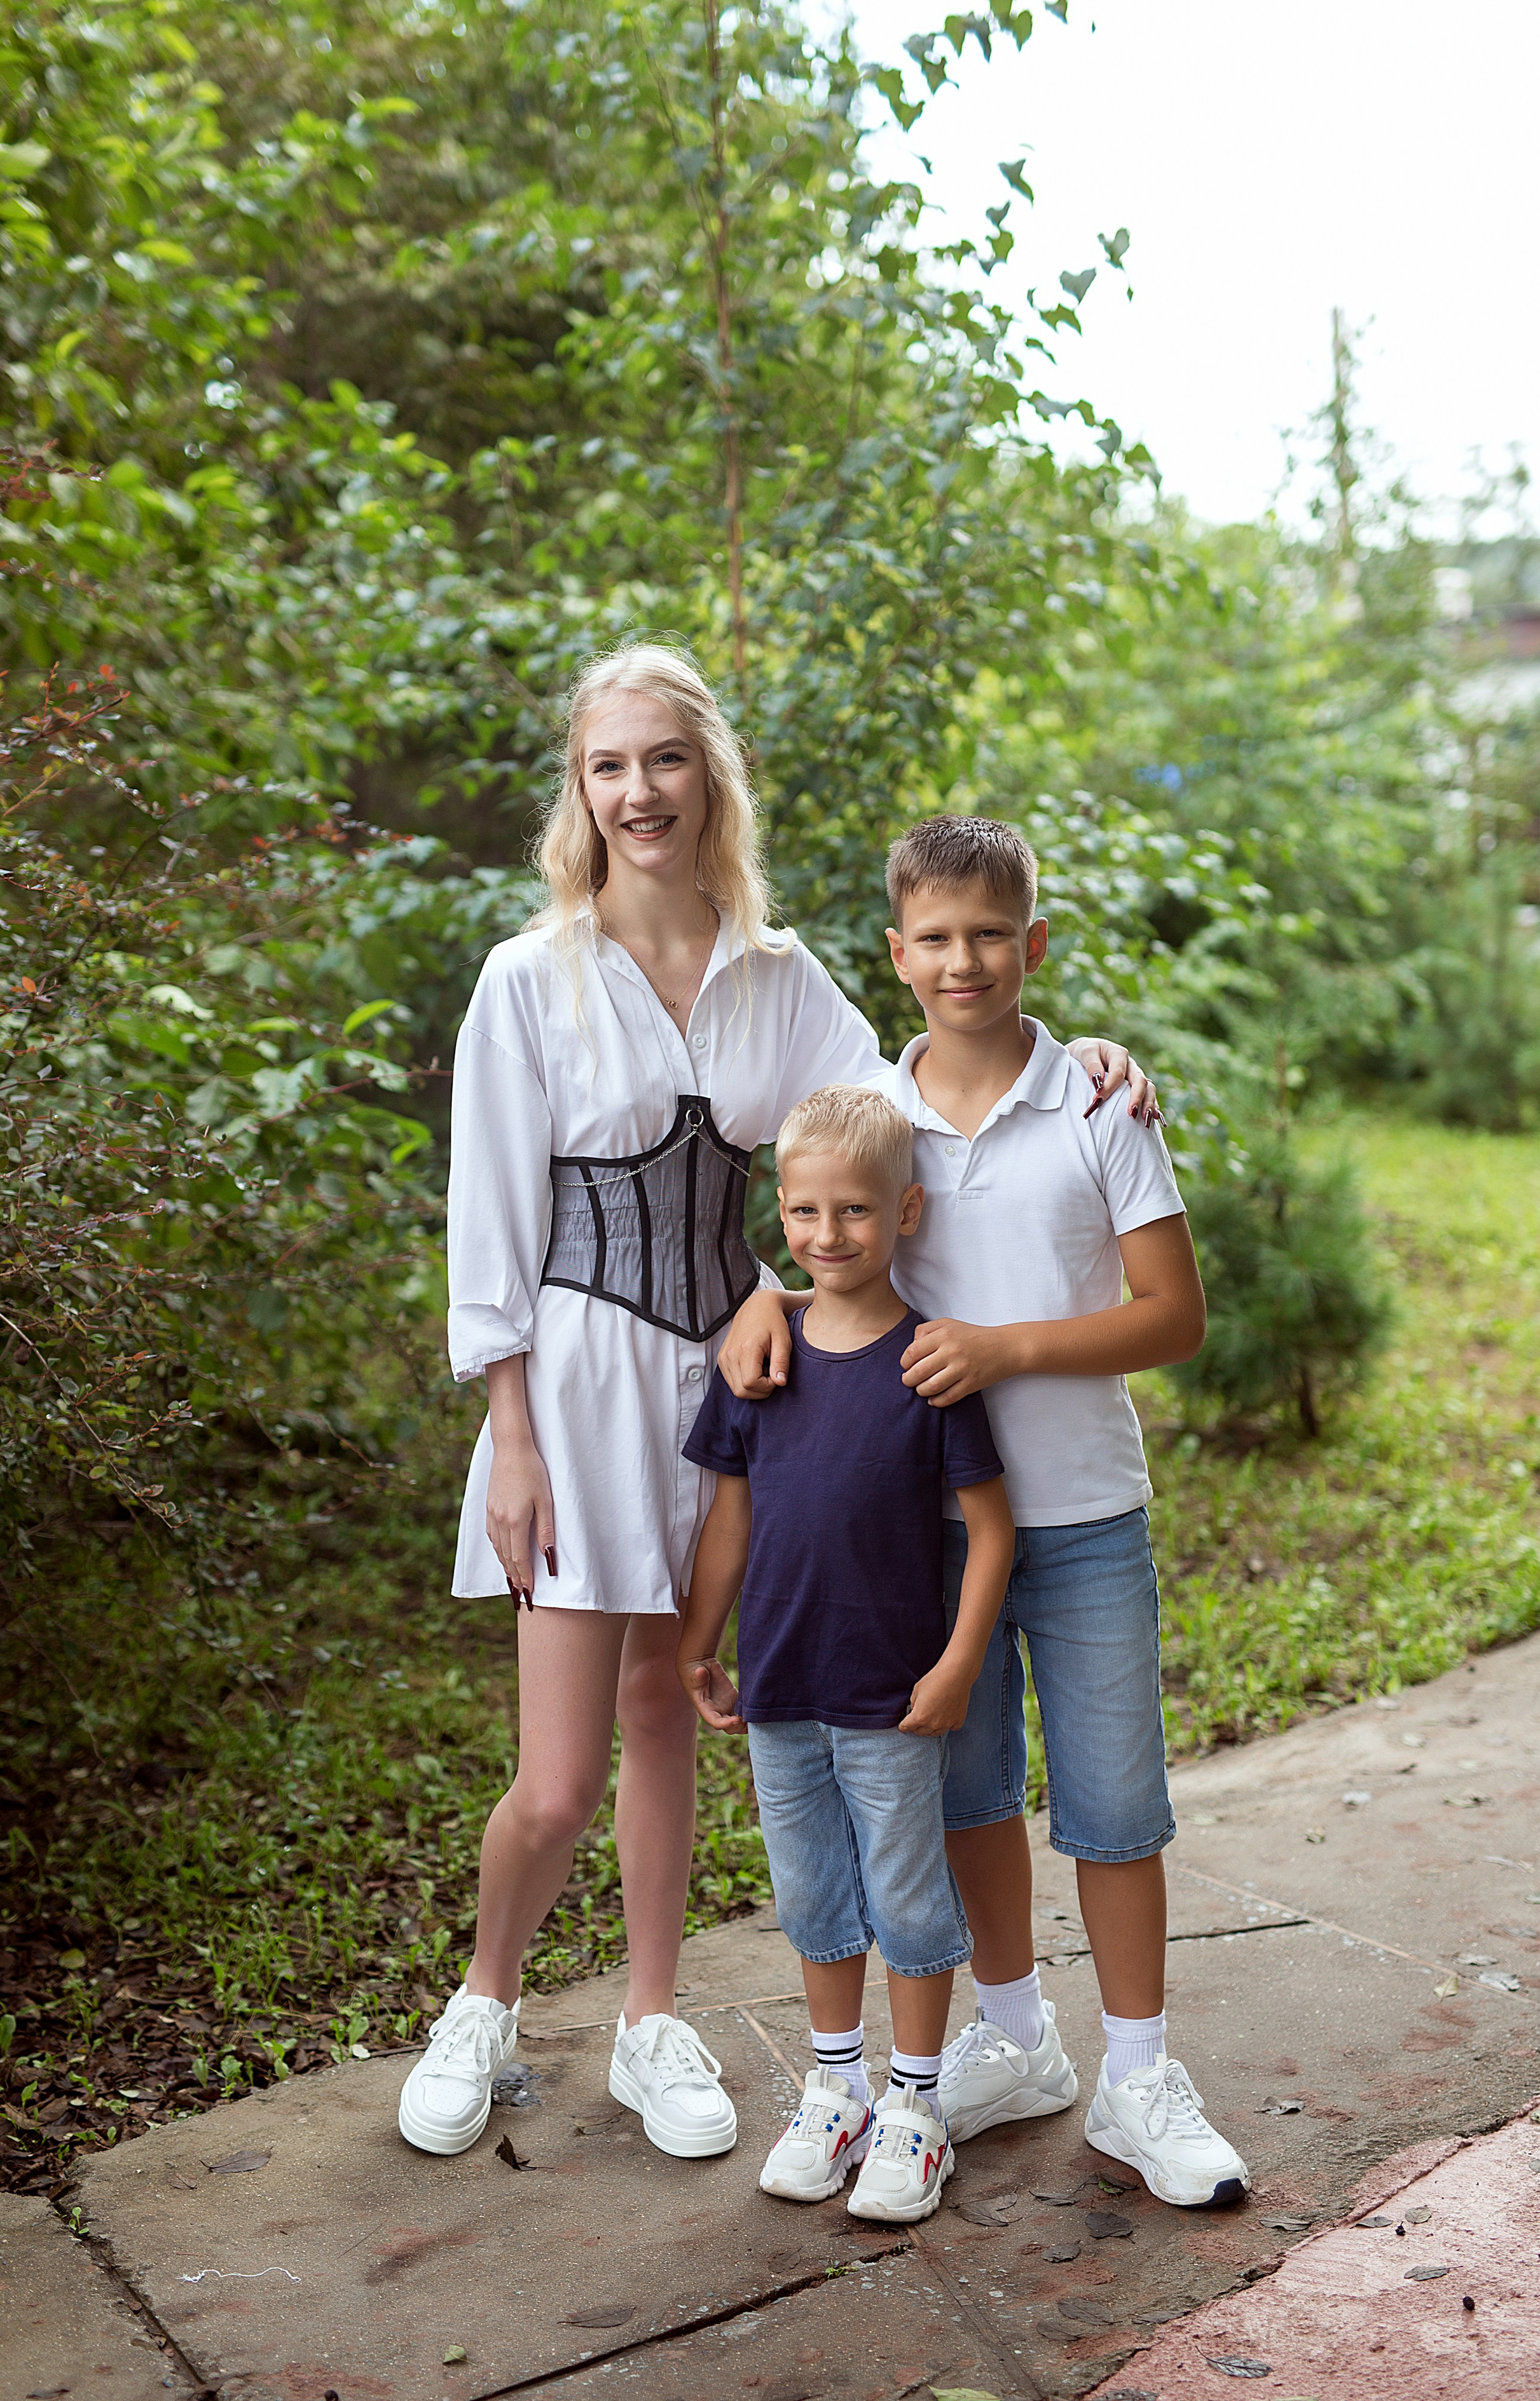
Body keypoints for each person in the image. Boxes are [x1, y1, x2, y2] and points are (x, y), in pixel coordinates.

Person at [394, 649, 1154, 2161]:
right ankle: (480, 2003)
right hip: (575, 1387)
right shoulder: (528, 978)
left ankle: (649, 2021)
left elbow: (896, 1117)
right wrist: (510, 1435)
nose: (638, 793)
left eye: (664, 759)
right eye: (608, 767)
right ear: (579, 792)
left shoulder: (776, 972)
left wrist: (1073, 1061)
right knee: (557, 1776)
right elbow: (489, 1221)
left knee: (665, 1709)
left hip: (738, 1381)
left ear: (709, 776)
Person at [720, 814, 1251, 2208]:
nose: (965, 962)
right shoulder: (868, 1109)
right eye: (937, 940)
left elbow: (1173, 1316)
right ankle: (1015, 2044)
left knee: (1115, 1807)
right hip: (921, 1538)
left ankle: (1138, 2076)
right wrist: (756, 1303)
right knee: (966, 1799)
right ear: (897, 955)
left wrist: (1006, 1348)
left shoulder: (1096, 1105)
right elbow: (818, 1235)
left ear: (1034, 944)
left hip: (1083, 1517)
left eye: (991, 936)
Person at [676, 1084, 1014, 2223]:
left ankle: (916, 2105)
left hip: (890, 1691)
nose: (829, 1234)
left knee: (909, 1899)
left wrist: (959, 1662)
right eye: (807, 1211)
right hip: (779, 1685)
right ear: (780, 1214)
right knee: (813, 1893)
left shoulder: (928, 1366)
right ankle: (838, 2093)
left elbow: (992, 1529)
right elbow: (729, 1522)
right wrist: (697, 1645)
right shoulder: (757, 1364)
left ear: (905, 1212)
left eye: (856, 1210)